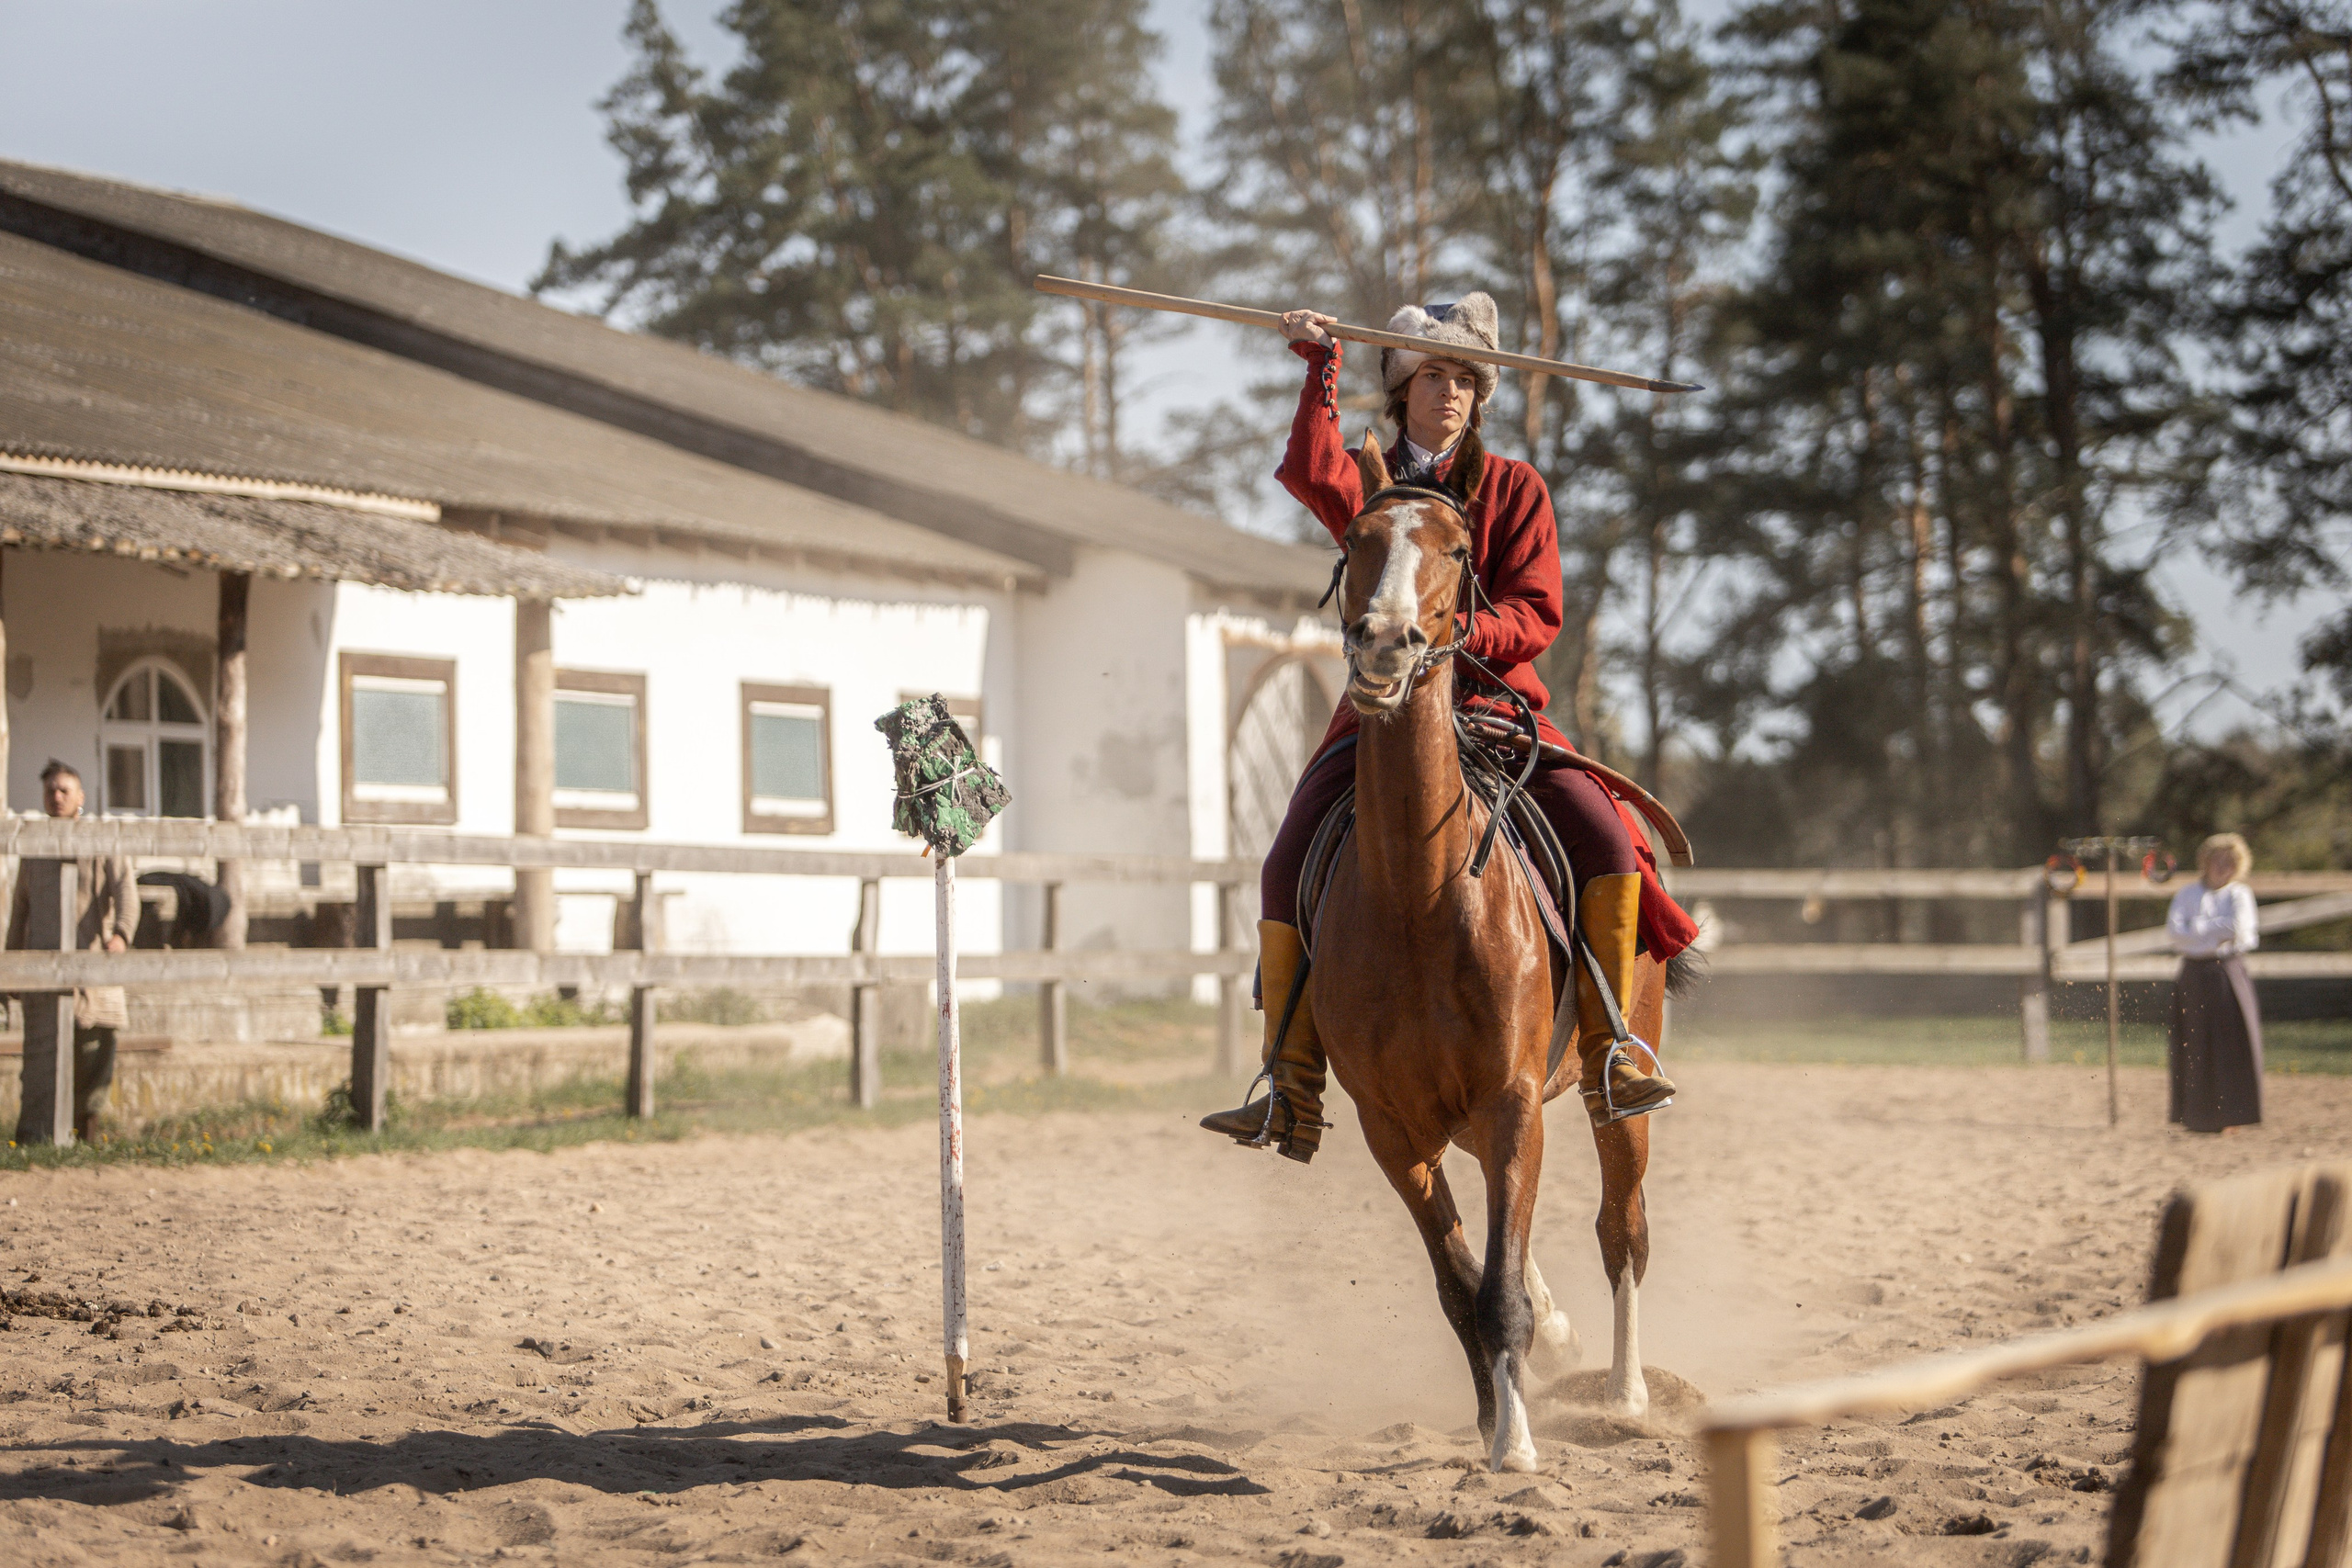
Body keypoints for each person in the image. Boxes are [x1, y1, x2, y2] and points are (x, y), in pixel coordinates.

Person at [1200, 297, 1699, 1162]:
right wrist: (1320, 367)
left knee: (1613, 846)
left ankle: (1613, 1048)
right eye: (1436, 373)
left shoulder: (1515, 487)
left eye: (1468, 378)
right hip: (1380, 710)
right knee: (1286, 860)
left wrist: (1462, 634)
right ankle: (1293, 1081)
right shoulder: (1375, 482)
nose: (1454, 392)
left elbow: (1538, 611)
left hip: (1497, 711)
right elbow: (1314, 470)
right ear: (1402, 384)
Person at [7, 760, 133, 1143]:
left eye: (65, 790)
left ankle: (87, 1136)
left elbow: (126, 891)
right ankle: (38, 1139)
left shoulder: (101, 840)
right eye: (51, 790)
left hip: (94, 967)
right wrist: (11, 964)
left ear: (80, 796)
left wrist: (121, 935)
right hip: (44, 970)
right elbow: (20, 910)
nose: (57, 796)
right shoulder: (34, 847)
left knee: (95, 1053)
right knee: (42, 1057)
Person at [2165, 832, 2264, 1134]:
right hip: (2194, 973)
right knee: (2193, 1044)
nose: (2224, 867)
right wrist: (2213, 931)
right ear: (2206, 862)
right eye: (2219, 860)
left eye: (2231, 862)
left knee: (2231, 1043)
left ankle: (2232, 1114)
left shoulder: (2239, 895)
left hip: (2227, 972)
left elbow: (2240, 928)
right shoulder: (2186, 894)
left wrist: (2198, 929)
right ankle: (2195, 1116)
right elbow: (2175, 933)